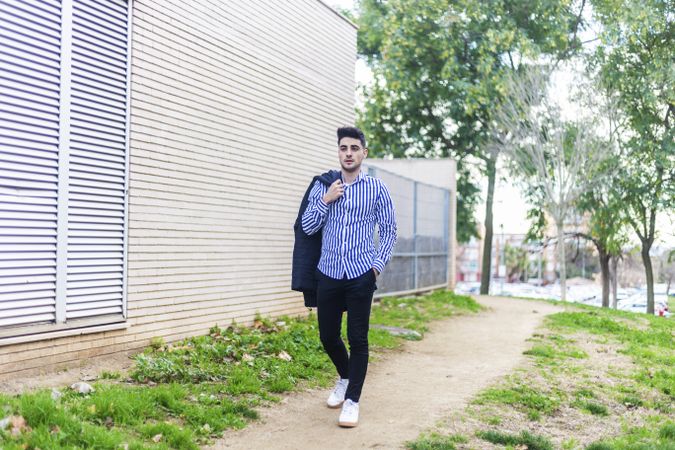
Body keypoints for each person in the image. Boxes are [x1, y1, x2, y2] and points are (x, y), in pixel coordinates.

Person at [301, 126, 397, 428]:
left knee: (358, 338)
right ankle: (345, 376)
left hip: (360, 275)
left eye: (354, 148)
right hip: (328, 272)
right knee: (328, 336)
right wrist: (325, 200)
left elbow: (390, 230)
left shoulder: (376, 189)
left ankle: (352, 400)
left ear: (363, 153)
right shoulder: (324, 186)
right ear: (338, 152)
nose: (349, 153)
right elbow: (307, 227)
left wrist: (376, 266)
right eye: (344, 148)